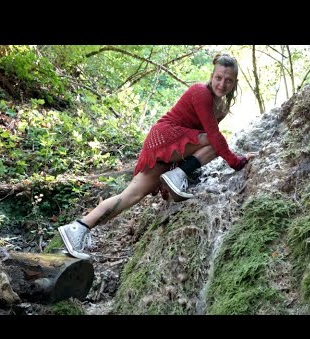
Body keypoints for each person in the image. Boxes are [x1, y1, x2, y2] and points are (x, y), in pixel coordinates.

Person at [58, 54, 258, 260]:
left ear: (235, 83)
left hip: (170, 149)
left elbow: (199, 142)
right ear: (212, 75)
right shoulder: (200, 92)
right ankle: (180, 175)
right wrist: (237, 162)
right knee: (215, 141)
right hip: (165, 139)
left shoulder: (220, 106)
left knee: (131, 196)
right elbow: (213, 137)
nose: (222, 83)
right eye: (218, 77)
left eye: (228, 80)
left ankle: (78, 228)